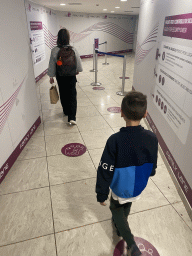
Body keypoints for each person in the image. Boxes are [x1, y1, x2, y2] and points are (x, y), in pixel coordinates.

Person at [95, 91, 158, 256]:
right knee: (128, 203)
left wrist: (101, 193)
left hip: (120, 187)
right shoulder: (152, 138)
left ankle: (130, 243)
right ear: (145, 114)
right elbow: (153, 163)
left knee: (115, 207)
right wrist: (150, 172)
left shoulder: (114, 140)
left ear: (121, 113)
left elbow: (105, 169)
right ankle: (119, 224)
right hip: (138, 186)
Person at [48, 28, 83, 125]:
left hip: (60, 76)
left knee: (63, 93)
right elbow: (79, 63)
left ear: (58, 38)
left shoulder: (55, 50)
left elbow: (52, 64)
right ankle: (72, 117)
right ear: (68, 38)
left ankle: (66, 111)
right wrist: (78, 70)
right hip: (71, 76)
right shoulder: (73, 49)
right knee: (72, 95)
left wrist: (51, 76)